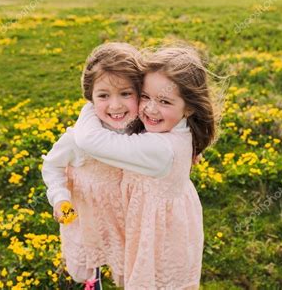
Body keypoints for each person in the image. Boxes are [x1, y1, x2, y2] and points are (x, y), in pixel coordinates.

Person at [73, 46, 223, 289]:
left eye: (164, 100)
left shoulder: (159, 150)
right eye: (145, 96)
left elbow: (88, 140)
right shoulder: (175, 127)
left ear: (190, 107)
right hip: (157, 222)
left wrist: (94, 101)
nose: (150, 109)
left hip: (158, 237)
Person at [42, 42, 172, 288]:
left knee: (130, 262)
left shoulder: (146, 128)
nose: (115, 106)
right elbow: (52, 166)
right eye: (103, 95)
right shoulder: (79, 139)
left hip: (129, 216)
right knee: (94, 255)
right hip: (92, 214)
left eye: (126, 93)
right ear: (90, 98)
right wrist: (59, 197)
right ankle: (95, 281)